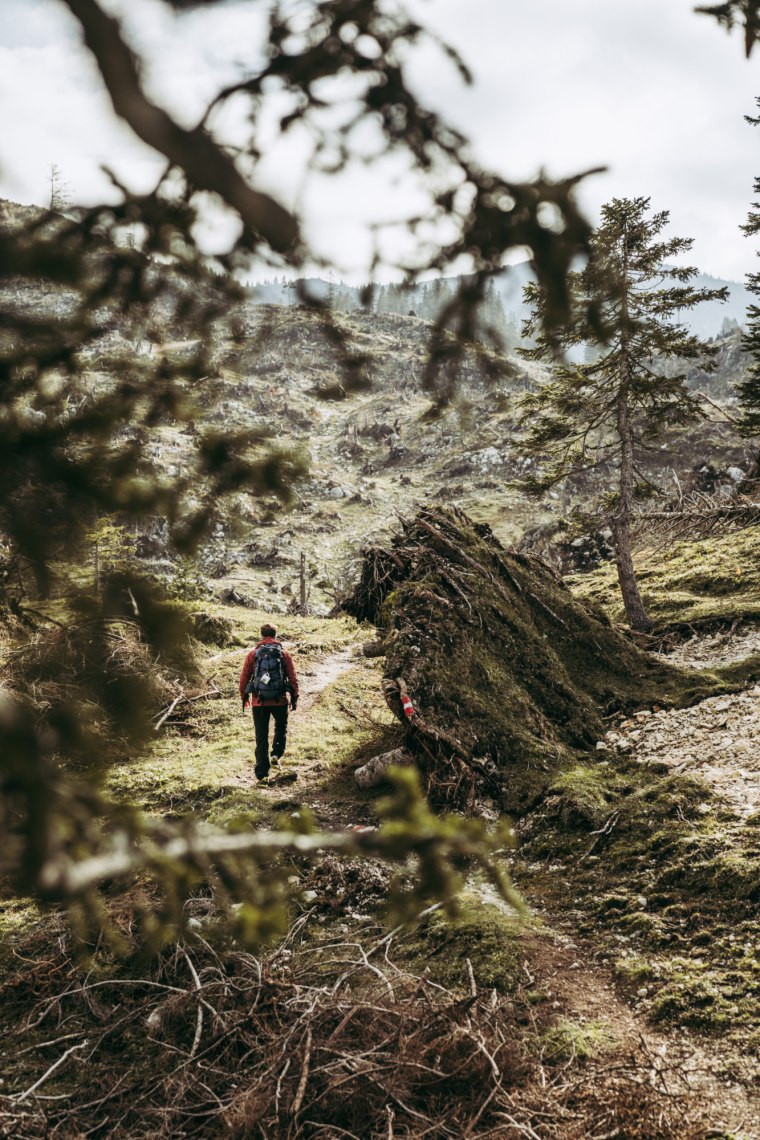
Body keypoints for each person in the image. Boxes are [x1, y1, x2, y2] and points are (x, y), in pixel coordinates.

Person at [240, 623, 299, 782]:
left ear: (261, 635)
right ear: (275, 635)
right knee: (281, 728)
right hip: (279, 700)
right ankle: (276, 753)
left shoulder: (253, 654)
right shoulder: (283, 654)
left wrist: (244, 698)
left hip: (259, 702)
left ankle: (262, 775)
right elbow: (292, 677)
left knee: (261, 737)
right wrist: (294, 697)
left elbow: (244, 678)